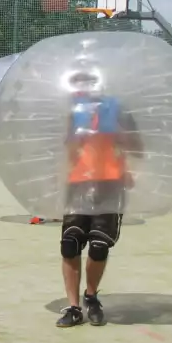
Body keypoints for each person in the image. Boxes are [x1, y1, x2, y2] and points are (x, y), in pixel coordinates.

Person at [56, 70, 143, 328]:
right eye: (81, 82)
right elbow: (67, 149)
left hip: (111, 182)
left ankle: (91, 297)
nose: (87, 87)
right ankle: (73, 307)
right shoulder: (74, 111)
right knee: (69, 244)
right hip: (78, 182)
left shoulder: (118, 110)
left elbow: (138, 146)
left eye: (92, 82)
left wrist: (118, 133)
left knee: (99, 246)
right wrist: (76, 139)